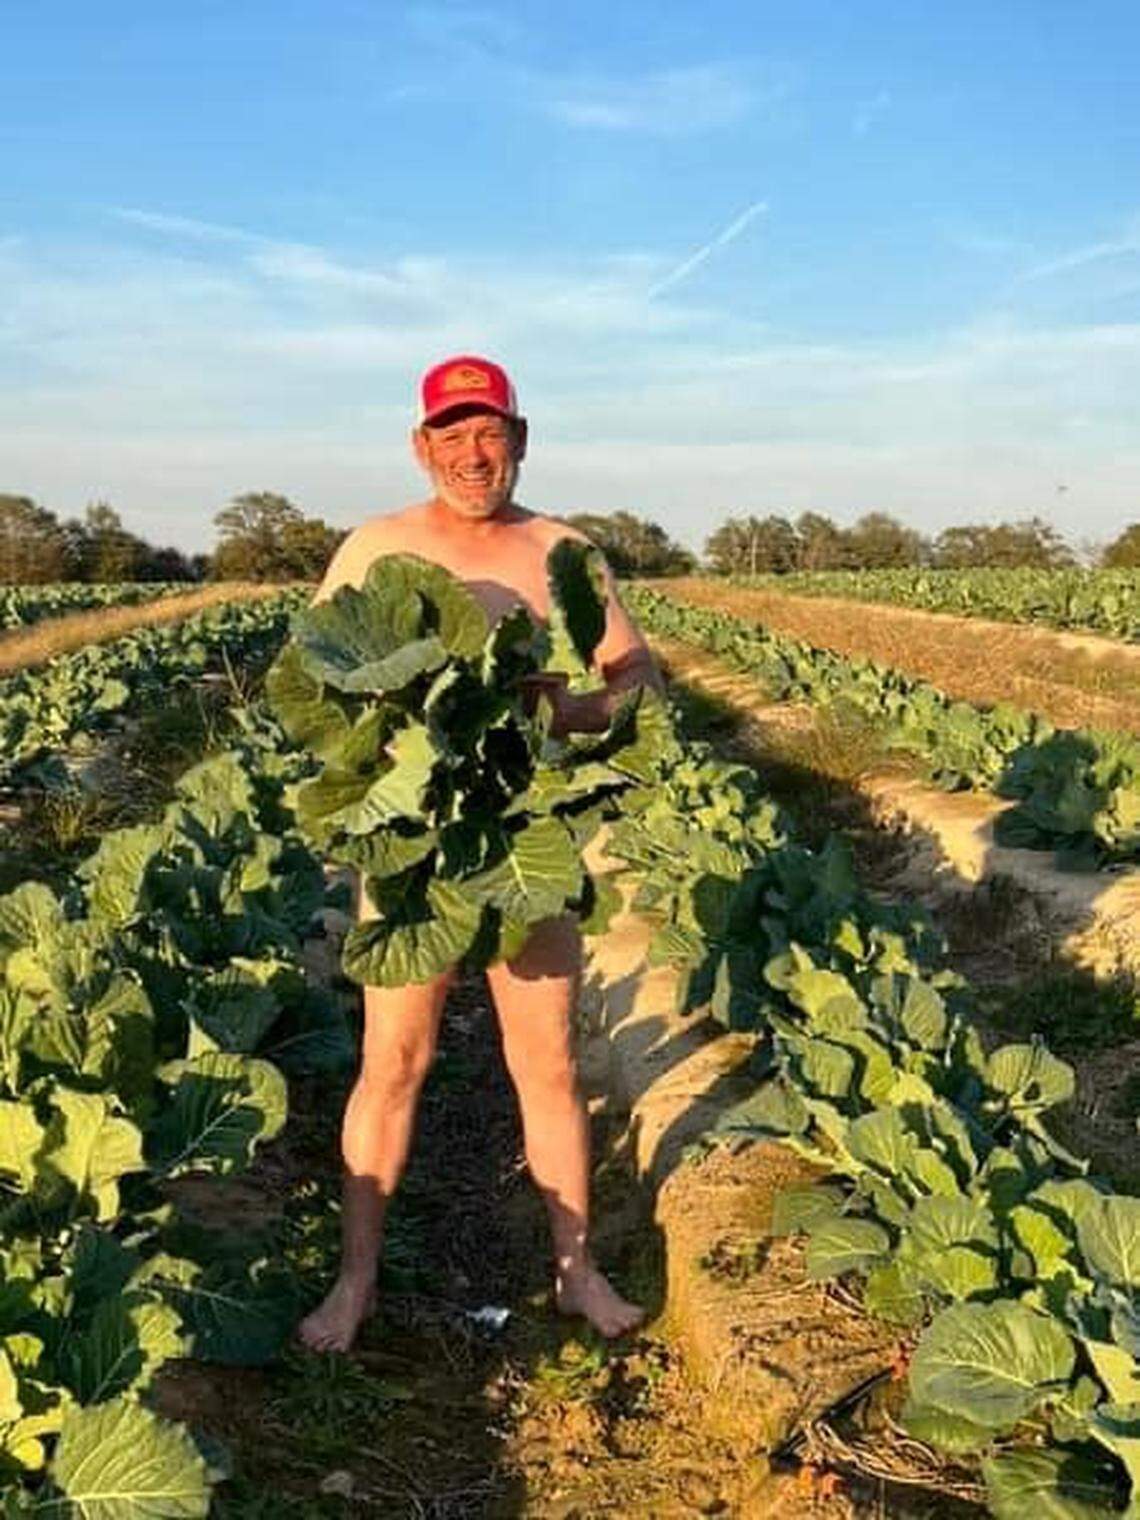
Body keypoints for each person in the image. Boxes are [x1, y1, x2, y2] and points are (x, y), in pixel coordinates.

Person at [299, 354, 662, 1353]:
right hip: (414, 845)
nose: (473, 451)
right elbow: (315, 676)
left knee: (545, 1061)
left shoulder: (561, 550)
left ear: (521, 438)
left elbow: (634, 665)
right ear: (423, 446)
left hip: (519, 840)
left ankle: (577, 1273)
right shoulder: (375, 547)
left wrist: (585, 703)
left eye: (489, 430)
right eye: (452, 433)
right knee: (393, 1062)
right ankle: (355, 1281)